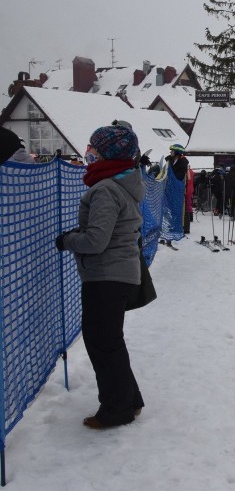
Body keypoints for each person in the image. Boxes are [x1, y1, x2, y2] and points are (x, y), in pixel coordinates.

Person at [55, 124, 145, 428]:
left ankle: (116, 409)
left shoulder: (106, 188)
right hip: (116, 273)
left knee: (102, 342)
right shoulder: (120, 182)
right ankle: (129, 400)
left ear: (106, 153)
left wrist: (67, 239)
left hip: (106, 276)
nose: (88, 151)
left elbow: (96, 240)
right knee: (109, 341)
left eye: (94, 147)